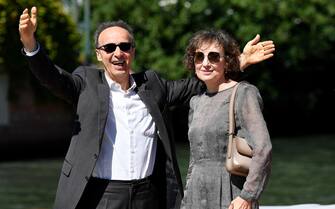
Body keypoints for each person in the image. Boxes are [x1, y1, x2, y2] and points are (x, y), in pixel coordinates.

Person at [18, 6, 275, 209]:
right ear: (99, 54)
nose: (118, 53)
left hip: (149, 195)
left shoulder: (152, 85)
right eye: (109, 47)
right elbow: (53, 77)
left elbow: (199, 84)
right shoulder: (86, 83)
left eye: (124, 46)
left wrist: (237, 61)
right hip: (102, 194)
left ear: (132, 51)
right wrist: (30, 44)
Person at [181, 29, 272, 209]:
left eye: (214, 57)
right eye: (200, 57)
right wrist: (186, 200)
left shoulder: (244, 93)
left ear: (227, 61)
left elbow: (263, 148)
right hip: (196, 197)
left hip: (232, 194)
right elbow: (194, 161)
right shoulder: (196, 102)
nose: (205, 63)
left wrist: (247, 196)